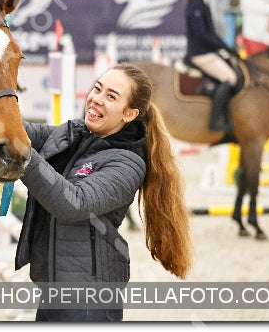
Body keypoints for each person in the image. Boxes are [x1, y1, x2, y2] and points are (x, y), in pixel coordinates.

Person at [15, 63, 193, 322]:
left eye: (111, 96)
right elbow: (18, 132)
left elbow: (74, 204)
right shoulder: (75, 133)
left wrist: (22, 156)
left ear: (130, 114)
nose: (97, 98)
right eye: (97, 89)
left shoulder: (127, 163)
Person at [184, 0, 238, 131]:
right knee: (230, 78)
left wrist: (226, 47)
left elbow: (211, 33)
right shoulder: (196, 4)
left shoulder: (202, 2)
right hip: (200, 54)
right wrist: (223, 46)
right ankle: (215, 122)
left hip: (208, 51)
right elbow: (201, 34)